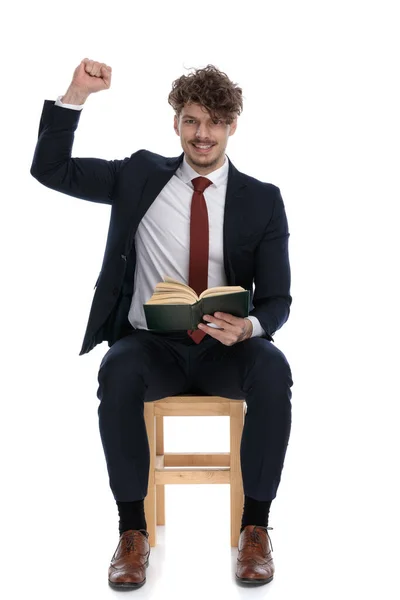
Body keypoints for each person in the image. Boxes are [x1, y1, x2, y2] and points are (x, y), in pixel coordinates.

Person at [30, 58, 294, 589]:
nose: (203, 135)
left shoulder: (263, 200)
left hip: (226, 351)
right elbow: (50, 170)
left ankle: (256, 528)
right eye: (192, 120)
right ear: (176, 122)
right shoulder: (138, 176)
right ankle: (133, 532)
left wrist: (250, 328)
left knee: (273, 371)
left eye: (215, 123)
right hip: (153, 349)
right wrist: (75, 95)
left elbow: (279, 299)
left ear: (232, 126)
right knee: (116, 370)